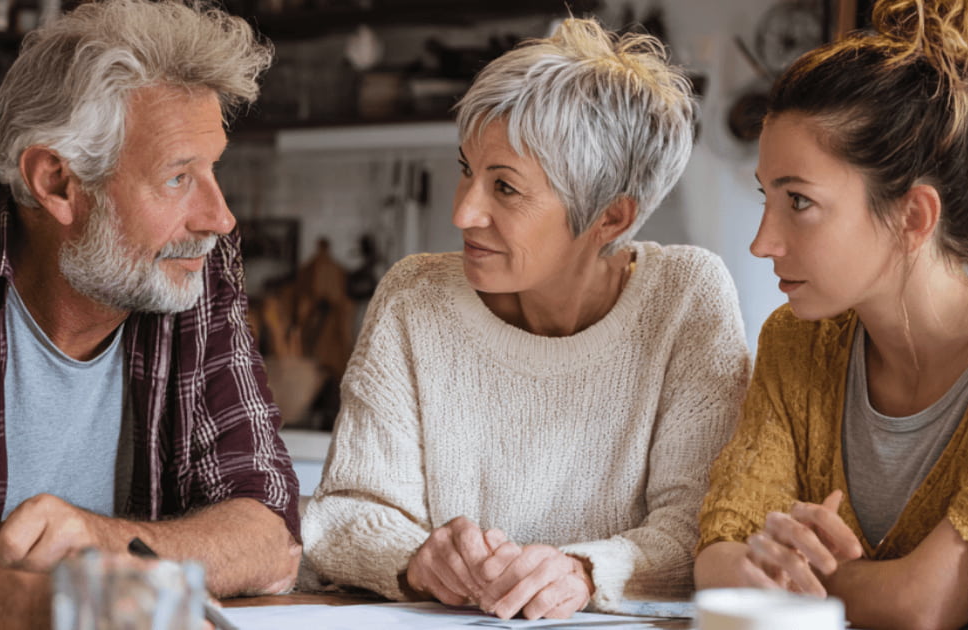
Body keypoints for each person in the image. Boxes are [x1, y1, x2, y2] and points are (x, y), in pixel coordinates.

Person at [0, 1, 301, 628]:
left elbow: (269, 534)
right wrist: (59, 608)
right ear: (56, 182)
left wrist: (95, 543)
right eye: (177, 177)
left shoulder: (195, 269)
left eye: (211, 168)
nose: (218, 218)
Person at [303, 17, 750, 620]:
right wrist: (416, 558)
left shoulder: (685, 299)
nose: (464, 212)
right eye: (467, 169)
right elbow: (343, 513)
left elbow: (705, 528)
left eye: (505, 188)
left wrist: (585, 572)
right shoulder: (416, 297)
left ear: (611, 219)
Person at [694, 1, 968, 628]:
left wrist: (799, 576)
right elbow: (718, 558)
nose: (762, 242)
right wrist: (759, 567)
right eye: (766, 197)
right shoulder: (797, 341)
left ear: (913, 217)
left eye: (799, 201)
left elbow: (923, 604)